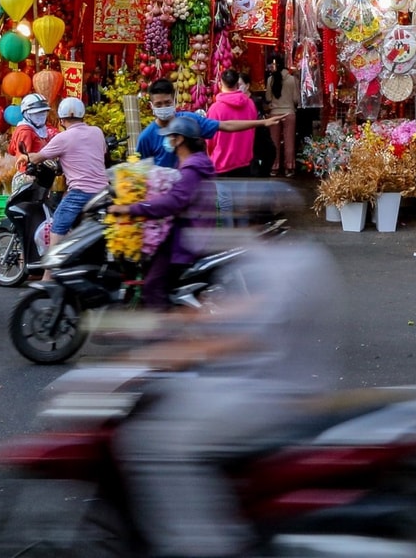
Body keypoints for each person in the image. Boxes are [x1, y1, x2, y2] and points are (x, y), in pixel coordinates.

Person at [114, 233, 340, 558]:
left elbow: (248, 337)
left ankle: (200, 546)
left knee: (153, 443)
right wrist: (158, 324)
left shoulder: (291, 265)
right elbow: (231, 312)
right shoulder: (280, 257)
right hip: (246, 385)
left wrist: (158, 355)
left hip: (271, 395)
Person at [113, 113, 218, 308]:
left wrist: (132, 208)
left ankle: (165, 333)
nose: (167, 141)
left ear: (179, 140)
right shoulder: (192, 163)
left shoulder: (191, 170)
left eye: (170, 137)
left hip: (187, 238)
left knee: (153, 285)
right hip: (186, 230)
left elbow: (173, 202)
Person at [133, 77, 279, 169]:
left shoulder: (189, 121)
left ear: (174, 101)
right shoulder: (146, 137)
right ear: (151, 106)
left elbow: (226, 125)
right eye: (158, 105)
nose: (163, 107)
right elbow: (140, 171)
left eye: (167, 103)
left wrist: (262, 123)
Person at [28, 96, 107, 246]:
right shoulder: (97, 132)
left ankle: (50, 269)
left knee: (58, 224)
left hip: (81, 193)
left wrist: (25, 158)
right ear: (83, 116)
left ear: (61, 120)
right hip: (104, 191)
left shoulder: (62, 138)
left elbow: (37, 158)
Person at [206, 69, 261, 176]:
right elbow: (252, 130)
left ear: (220, 84)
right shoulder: (250, 104)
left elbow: (210, 140)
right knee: (242, 193)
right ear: (237, 84)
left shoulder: (215, 109)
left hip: (221, 163)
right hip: (244, 161)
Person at [265, 51, 303, 176]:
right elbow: (296, 99)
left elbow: (269, 98)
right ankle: (289, 167)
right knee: (289, 141)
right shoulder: (292, 79)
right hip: (289, 113)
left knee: (274, 142)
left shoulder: (270, 79)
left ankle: (274, 167)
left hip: (274, 114)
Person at [10, 92, 52, 157]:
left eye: (43, 113)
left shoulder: (38, 129)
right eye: (36, 113)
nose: (41, 116)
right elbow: (22, 161)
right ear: (26, 114)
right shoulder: (26, 132)